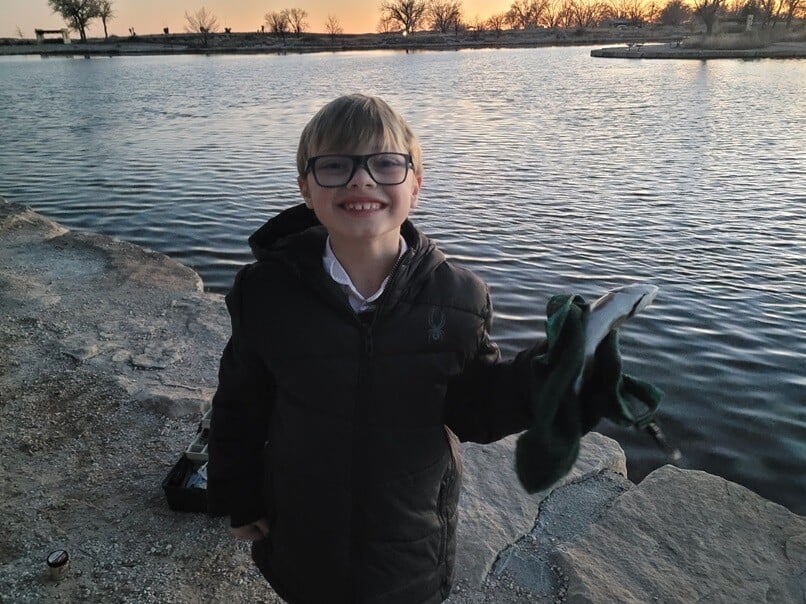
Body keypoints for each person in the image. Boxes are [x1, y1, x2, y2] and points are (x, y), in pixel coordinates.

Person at [207, 94, 600, 603]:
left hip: (409, 540)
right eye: (334, 166)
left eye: (386, 164)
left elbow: (476, 408)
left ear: (416, 184)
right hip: (304, 529)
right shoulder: (266, 294)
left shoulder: (457, 297)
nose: (361, 180)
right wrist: (239, 497)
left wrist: (549, 376)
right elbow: (239, 405)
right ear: (305, 187)